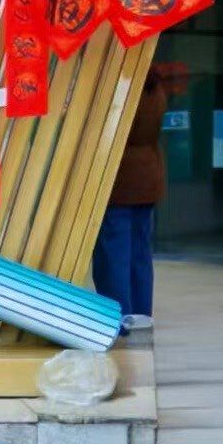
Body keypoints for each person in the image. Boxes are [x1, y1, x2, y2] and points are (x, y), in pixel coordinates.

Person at [93, 71, 167, 331]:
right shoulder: (155, 88)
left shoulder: (124, 89)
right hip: (148, 177)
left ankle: (118, 317)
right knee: (139, 253)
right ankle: (141, 314)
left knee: (114, 254)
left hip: (121, 179)